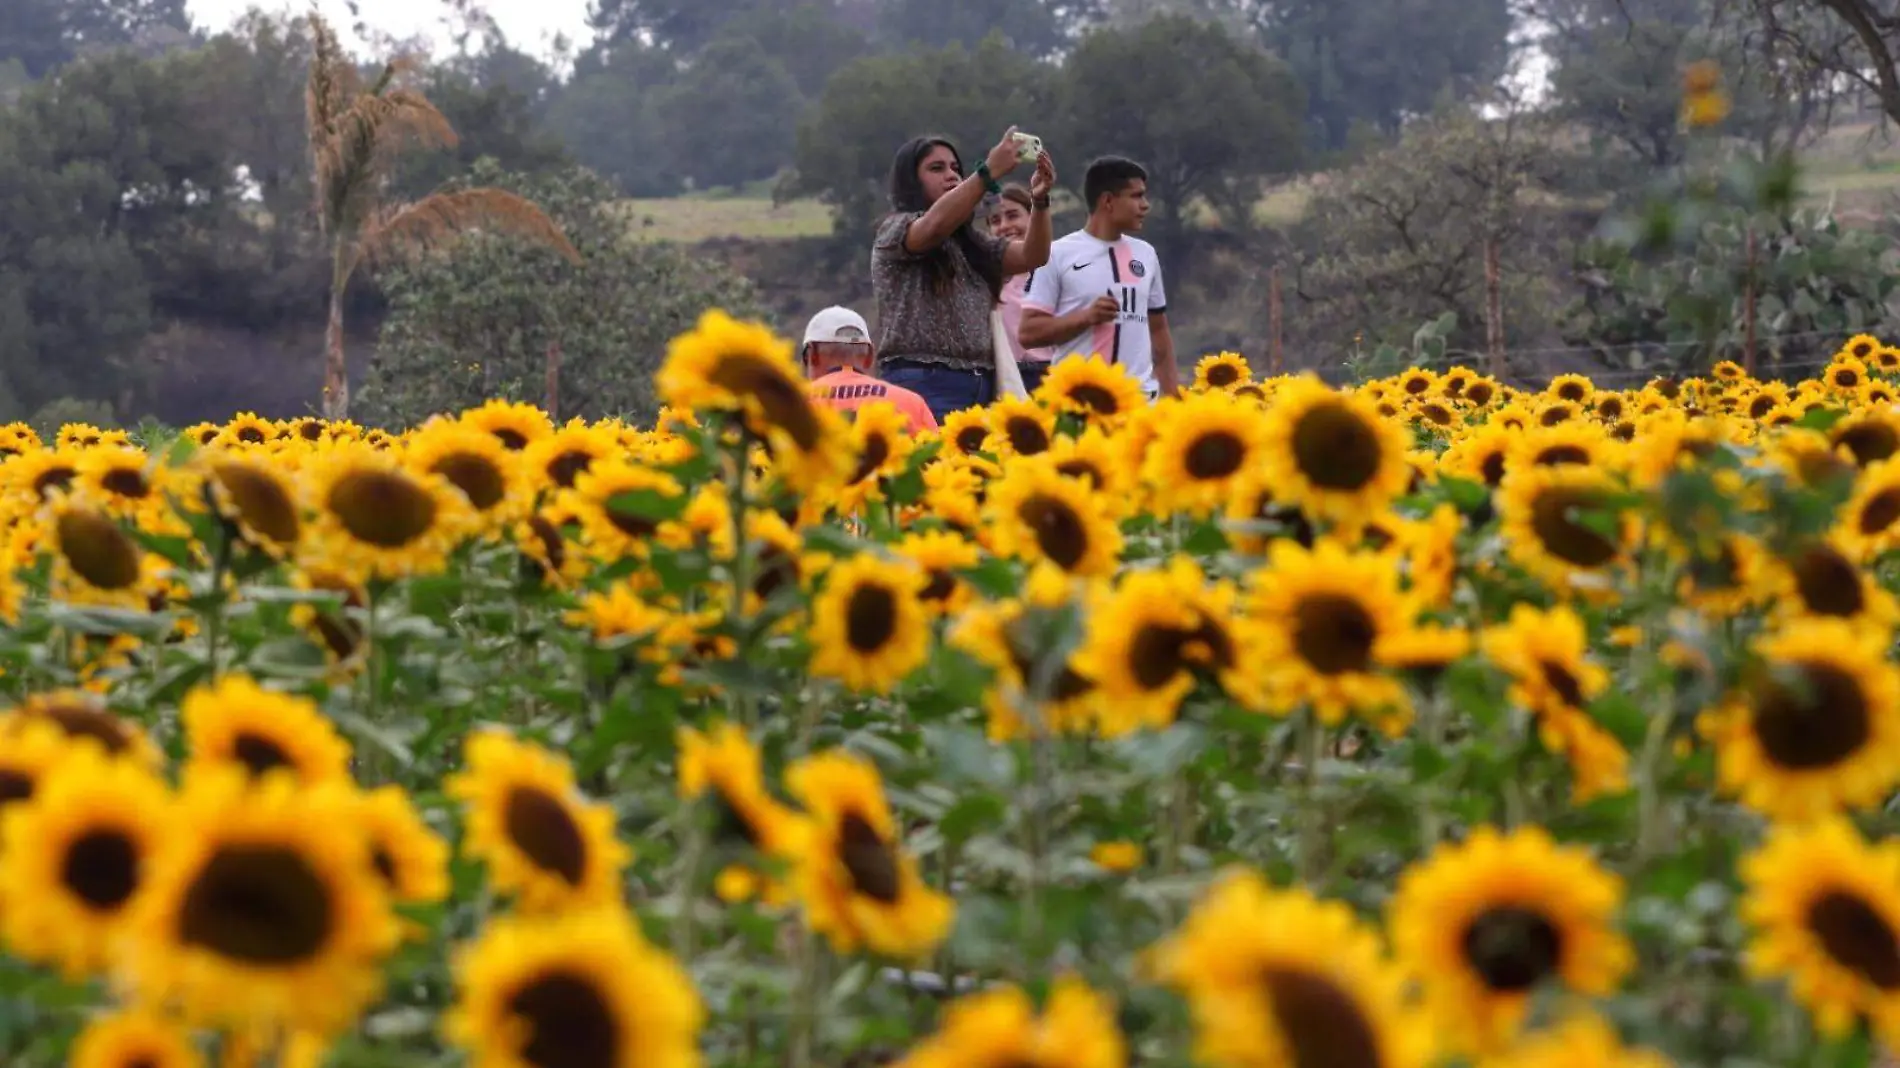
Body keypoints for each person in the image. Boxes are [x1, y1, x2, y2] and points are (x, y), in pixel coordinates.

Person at [871, 129, 1057, 423]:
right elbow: (932, 227)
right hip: (922, 384)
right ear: (911, 180)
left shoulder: (973, 245)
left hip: (979, 387)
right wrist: (988, 172)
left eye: (956, 169)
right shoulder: (896, 229)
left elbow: (1033, 257)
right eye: (937, 168)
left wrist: (1040, 202)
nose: (951, 175)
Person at [1018, 156, 1180, 401]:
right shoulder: (1056, 254)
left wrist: (1172, 395)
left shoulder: (1146, 254)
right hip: (1077, 402)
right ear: (1107, 201)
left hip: (1139, 402)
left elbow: (1158, 331)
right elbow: (1028, 334)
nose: (1146, 205)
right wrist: (1086, 317)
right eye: (1136, 196)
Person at [801, 306, 938, 435]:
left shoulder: (795, 403)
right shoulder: (911, 403)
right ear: (870, 356)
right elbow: (934, 456)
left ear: (812, 355)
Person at [987, 184, 1057, 395]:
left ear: (1032, 217)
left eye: (1013, 216)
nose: (1005, 226)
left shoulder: (1056, 269)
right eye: (995, 221)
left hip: (1050, 375)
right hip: (1005, 376)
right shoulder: (987, 276)